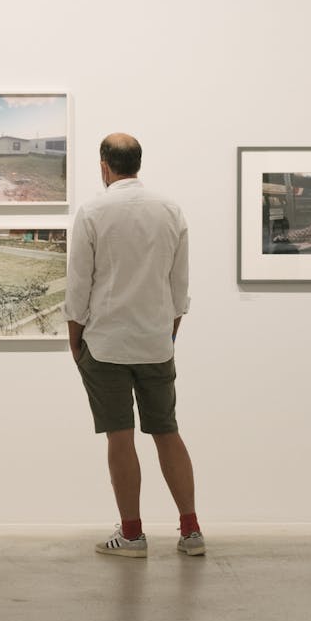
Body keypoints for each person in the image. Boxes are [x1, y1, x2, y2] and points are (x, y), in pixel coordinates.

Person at [64, 133, 202, 558]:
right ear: (138, 163)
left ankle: (132, 535)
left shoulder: (92, 211)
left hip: (106, 344)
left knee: (120, 439)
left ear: (104, 166)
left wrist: (75, 341)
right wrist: (168, 333)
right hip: (156, 342)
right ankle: (191, 531)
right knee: (167, 432)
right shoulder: (170, 210)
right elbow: (179, 286)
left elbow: (79, 285)